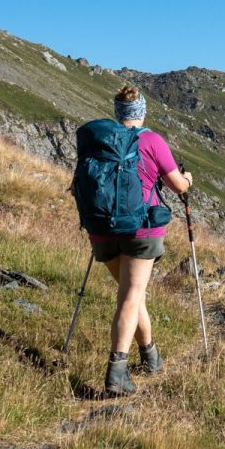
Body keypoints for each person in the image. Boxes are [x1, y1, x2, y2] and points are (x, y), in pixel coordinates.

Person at [88, 85, 192, 393]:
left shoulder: (101, 140)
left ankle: (151, 357)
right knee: (130, 296)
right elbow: (177, 187)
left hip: (102, 229)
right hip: (141, 228)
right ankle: (116, 372)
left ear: (116, 113)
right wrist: (187, 179)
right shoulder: (152, 140)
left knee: (132, 294)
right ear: (142, 112)